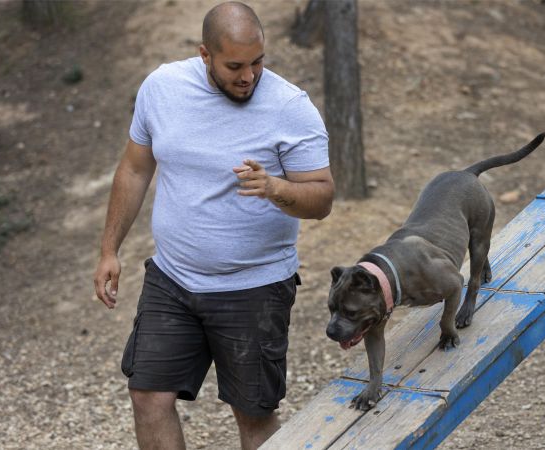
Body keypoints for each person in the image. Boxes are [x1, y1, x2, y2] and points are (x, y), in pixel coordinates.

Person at [93, 2, 334, 449]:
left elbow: (322, 198)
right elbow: (134, 169)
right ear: (205, 55)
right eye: (235, 65)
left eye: (258, 61)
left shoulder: (289, 107)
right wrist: (110, 249)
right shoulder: (162, 88)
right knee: (147, 396)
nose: (249, 76)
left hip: (253, 287)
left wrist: (274, 188)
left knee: (253, 417)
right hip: (172, 278)